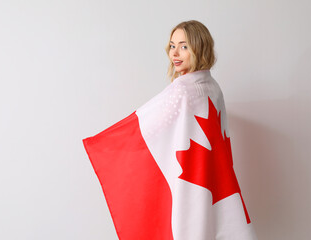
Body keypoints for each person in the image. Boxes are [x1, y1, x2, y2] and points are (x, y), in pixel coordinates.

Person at [83, 20, 257, 239]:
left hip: (191, 182)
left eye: (184, 46)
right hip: (214, 178)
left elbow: (147, 128)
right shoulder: (212, 87)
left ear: (199, 47)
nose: (175, 53)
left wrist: (106, 144)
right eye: (172, 46)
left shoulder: (182, 91)